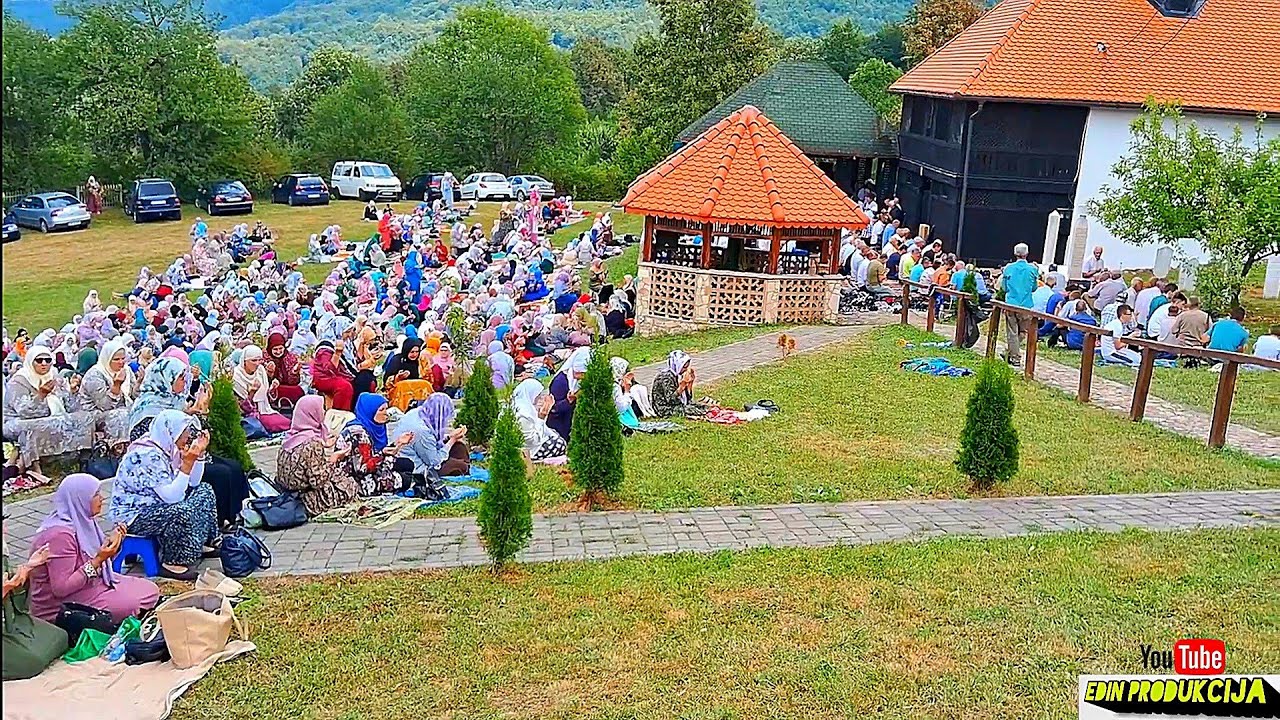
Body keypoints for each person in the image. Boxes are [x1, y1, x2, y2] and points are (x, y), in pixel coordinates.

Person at [27, 474, 160, 624]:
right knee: (133, 604)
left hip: (90, 586)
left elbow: (99, 559)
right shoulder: (60, 536)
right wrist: (99, 559)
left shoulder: (83, 521)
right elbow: (61, 589)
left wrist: (114, 545)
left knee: (149, 590)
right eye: (96, 495)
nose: (102, 498)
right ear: (80, 499)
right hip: (60, 605)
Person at [107, 411, 219, 581]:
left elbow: (194, 483)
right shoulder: (147, 455)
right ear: (171, 433)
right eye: (184, 434)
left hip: (157, 504)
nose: (187, 439)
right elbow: (172, 498)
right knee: (181, 511)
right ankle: (171, 562)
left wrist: (199, 455)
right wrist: (187, 464)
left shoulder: (167, 448)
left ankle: (199, 542)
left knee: (204, 490)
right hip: (134, 515)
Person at [2, 345, 96, 472]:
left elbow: (70, 408)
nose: (44, 364)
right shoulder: (19, 381)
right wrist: (41, 395)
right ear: (30, 361)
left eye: (48, 360)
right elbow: (24, 412)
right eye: (39, 360)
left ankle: (84, 459)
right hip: (17, 421)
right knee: (37, 425)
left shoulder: (54, 377)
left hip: (51, 418)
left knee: (86, 417)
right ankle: (32, 466)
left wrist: (73, 392)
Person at [273, 396, 360, 517]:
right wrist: (334, 458)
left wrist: (324, 446)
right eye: (321, 409)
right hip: (303, 499)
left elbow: (304, 459)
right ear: (312, 413)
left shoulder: (291, 436)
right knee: (349, 485)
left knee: (339, 476)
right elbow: (318, 481)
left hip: (285, 491)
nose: (324, 412)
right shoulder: (312, 443)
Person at [3, 535, 68, 680]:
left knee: (60, 636)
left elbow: (11, 582)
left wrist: (29, 567)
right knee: (34, 661)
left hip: (11, 622)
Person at [340, 393, 413, 495]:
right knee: (405, 480)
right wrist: (386, 455)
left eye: (386, 409)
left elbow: (376, 453)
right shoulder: (358, 434)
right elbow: (363, 468)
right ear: (370, 412)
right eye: (381, 410)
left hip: (371, 466)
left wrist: (397, 443)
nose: (386, 413)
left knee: (406, 464)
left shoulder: (374, 425)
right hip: (355, 480)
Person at [393, 392, 470, 480]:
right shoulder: (421, 431)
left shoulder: (418, 412)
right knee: (462, 466)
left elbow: (433, 441)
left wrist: (449, 437)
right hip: (418, 467)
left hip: (424, 454)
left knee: (459, 447)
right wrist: (452, 440)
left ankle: (462, 466)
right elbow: (433, 462)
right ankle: (463, 467)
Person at [76, 336, 137, 445]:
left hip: (121, 409)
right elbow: (104, 406)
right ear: (107, 359)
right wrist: (116, 386)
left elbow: (132, 395)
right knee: (121, 415)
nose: (121, 362)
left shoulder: (126, 370)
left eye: (123, 358)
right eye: (116, 359)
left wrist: (139, 383)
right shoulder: (95, 375)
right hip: (94, 414)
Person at [232, 345, 290, 433]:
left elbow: (266, 397)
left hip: (265, 410)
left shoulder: (260, 371)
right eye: (254, 360)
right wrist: (252, 392)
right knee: (275, 425)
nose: (257, 363)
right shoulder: (236, 376)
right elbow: (241, 408)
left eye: (260, 360)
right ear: (244, 361)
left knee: (287, 423)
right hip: (250, 415)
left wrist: (272, 389)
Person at [1000, 243, 1040, 367]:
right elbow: (1034, 288)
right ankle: (1012, 353)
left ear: (1015, 254)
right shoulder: (1033, 269)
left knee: (1012, 331)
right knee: (1023, 331)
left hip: (1011, 303)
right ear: (1027, 254)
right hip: (1026, 305)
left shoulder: (1008, 268)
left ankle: (1014, 356)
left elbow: (1004, 287)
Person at [510, 378, 568, 462]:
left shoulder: (524, 405)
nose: (540, 399)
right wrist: (542, 417)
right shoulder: (523, 414)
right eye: (538, 396)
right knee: (559, 444)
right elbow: (532, 440)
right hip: (526, 449)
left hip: (529, 443)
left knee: (554, 434)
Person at [547, 347, 591, 441]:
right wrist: (569, 400)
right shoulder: (561, 381)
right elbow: (553, 409)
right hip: (559, 427)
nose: (581, 377)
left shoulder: (581, 380)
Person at [651, 350, 708, 418]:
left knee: (702, 406)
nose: (685, 369)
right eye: (684, 367)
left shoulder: (678, 375)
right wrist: (682, 385)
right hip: (664, 408)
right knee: (696, 410)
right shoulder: (666, 377)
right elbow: (671, 400)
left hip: (676, 405)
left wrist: (690, 383)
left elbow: (688, 400)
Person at [385, 338, 432, 411]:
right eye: (412, 352)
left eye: (417, 352)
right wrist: (398, 377)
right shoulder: (397, 360)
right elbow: (387, 382)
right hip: (400, 393)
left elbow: (428, 379)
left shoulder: (421, 361)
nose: (414, 354)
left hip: (418, 394)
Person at [264, 332, 305, 411]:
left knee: (299, 391)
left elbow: (293, 382)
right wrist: (269, 374)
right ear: (270, 348)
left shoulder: (290, 358)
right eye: (275, 349)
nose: (278, 352)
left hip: (286, 386)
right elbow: (262, 380)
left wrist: (294, 372)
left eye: (281, 348)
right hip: (270, 389)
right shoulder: (265, 358)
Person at [310, 341, 355, 411]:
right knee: (344, 386)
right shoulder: (324, 350)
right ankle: (339, 415)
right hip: (323, 378)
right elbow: (329, 370)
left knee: (364, 379)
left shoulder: (350, 344)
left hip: (337, 376)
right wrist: (337, 353)